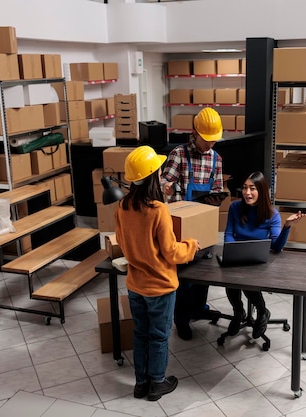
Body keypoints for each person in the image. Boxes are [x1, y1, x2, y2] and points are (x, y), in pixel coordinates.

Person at [115, 146, 200, 401]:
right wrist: (192, 246)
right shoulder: (158, 210)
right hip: (160, 286)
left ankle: (141, 383)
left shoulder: (122, 206)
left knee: (140, 333)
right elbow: (172, 252)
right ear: (153, 175)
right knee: (159, 337)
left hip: (135, 285)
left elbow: (121, 240)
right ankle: (158, 383)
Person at [160, 107, 225, 340]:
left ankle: (199, 308)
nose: (210, 145)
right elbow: (164, 182)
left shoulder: (216, 159)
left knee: (204, 275)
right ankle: (181, 318)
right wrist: (165, 186)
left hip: (204, 224)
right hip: (180, 229)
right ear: (194, 133)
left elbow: (217, 189)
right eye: (207, 140)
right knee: (184, 277)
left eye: (214, 141)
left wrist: (218, 196)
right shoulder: (179, 154)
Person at [224, 171, 305, 339]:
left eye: (252, 188)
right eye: (245, 188)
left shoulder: (271, 214)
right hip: (238, 257)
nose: (247, 193)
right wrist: (232, 252)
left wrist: (287, 226)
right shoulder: (235, 207)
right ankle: (239, 313)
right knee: (229, 279)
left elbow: (276, 247)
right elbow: (229, 234)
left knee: (247, 283)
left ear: (261, 191)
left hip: (258, 262)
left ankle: (262, 311)